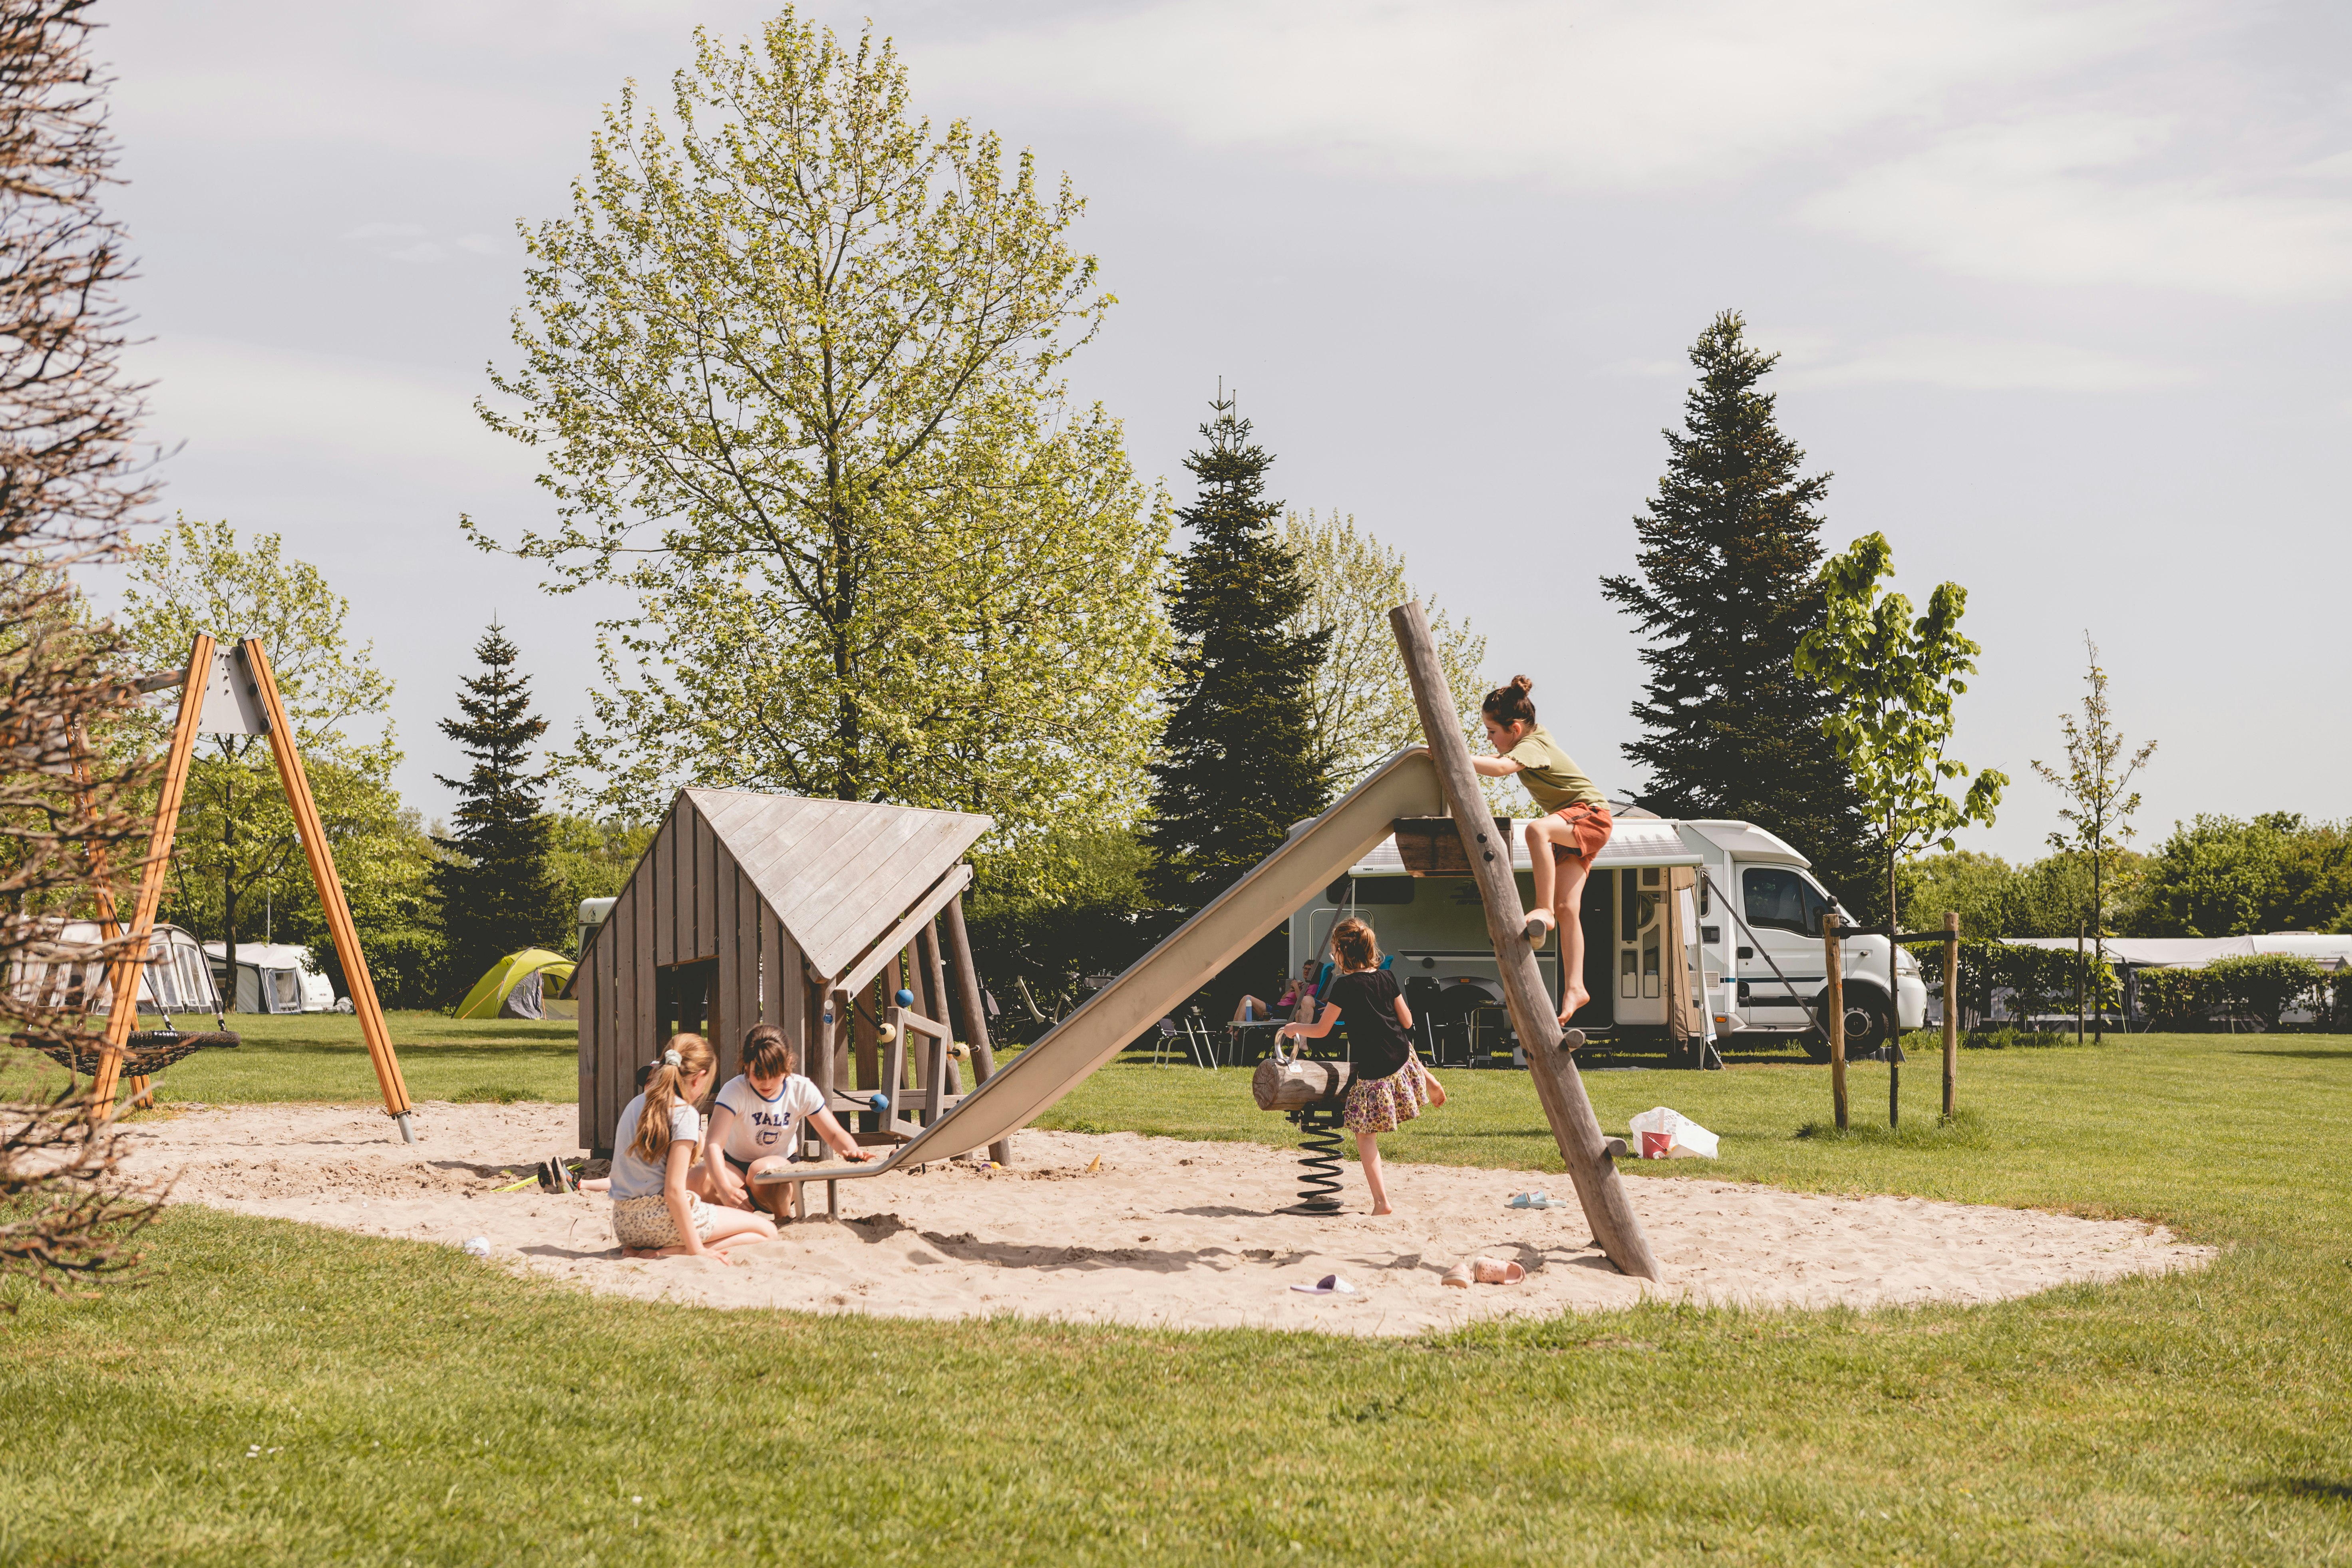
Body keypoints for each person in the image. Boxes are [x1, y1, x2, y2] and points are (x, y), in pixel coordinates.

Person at [1468, 675, 1612, 1026]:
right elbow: (1496, 757)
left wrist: (1453, 754)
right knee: (1569, 909)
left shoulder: (1532, 746)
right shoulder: (1533, 737)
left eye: (1492, 731)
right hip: (1576, 826)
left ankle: (1542, 909)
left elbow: (1501, 768)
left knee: (1536, 830)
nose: (1490, 739)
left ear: (1514, 729)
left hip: (1590, 816)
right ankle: (1576, 986)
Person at [1278, 917, 1441, 1216]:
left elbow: (1323, 1030)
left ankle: (1382, 1202)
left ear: (1341, 951)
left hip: (1376, 1065)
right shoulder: (1388, 977)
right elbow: (1407, 1022)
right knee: (1403, 1046)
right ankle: (1427, 1077)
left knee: (1365, 1135)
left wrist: (1294, 1027)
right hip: (1401, 1056)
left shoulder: (1345, 986)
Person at [607, 1033, 777, 1263]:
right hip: (660, 1220)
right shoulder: (684, 1114)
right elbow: (674, 1191)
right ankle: (675, 1250)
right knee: (766, 1231)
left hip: (624, 1223)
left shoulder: (636, 1103)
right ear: (699, 1078)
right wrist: (696, 1249)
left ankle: (641, 1248)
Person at [704, 1023, 870, 1220]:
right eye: (758, 1075)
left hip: (779, 1168)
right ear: (746, 1065)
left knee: (762, 1170)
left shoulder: (800, 1089)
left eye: (774, 1075)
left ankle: (784, 1218)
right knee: (700, 1178)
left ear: (788, 1064)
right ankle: (734, 1216)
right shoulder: (735, 1090)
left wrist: (851, 1149)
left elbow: (834, 1133)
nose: (766, 1083)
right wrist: (723, 1188)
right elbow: (713, 1145)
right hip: (735, 1168)